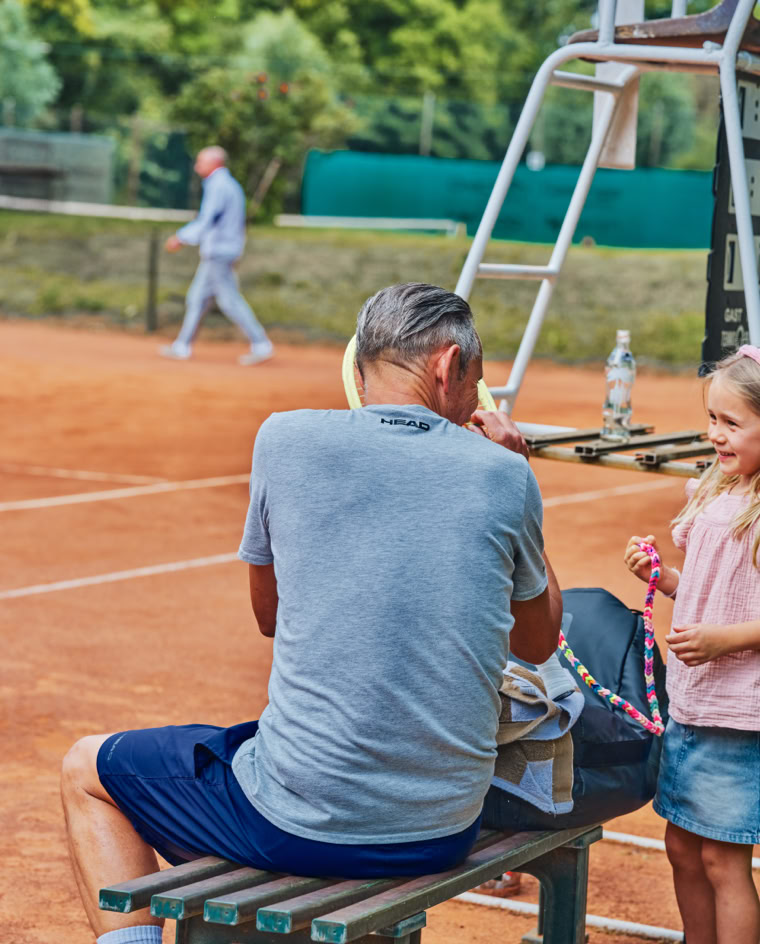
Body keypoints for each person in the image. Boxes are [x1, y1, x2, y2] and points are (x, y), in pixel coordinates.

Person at [61, 283, 562, 944]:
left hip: (294, 824)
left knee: (86, 769)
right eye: (476, 380)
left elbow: (268, 615)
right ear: (448, 366)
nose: (474, 397)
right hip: (441, 830)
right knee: (250, 748)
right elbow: (538, 642)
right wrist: (518, 471)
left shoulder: (284, 439)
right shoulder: (504, 475)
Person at [624, 345, 760, 944]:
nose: (716, 434)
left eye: (732, 422)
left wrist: (724, 641)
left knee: (723, 859)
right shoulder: (721, 491)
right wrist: (664, 578)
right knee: (681, 847)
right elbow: (718, 592)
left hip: (748, 714)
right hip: (697, 704)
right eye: (712, 418)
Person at [160, 145, 274, 365]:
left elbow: (208, 218)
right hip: (220, 251)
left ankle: (261, 344)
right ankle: (182, 345)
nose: (196, 167)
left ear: (215, 163)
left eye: (200, 162)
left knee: (229, 300)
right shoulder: (224, 184)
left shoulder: (219, 185)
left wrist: (181, 237)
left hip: (220, 252)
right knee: (197, 298)